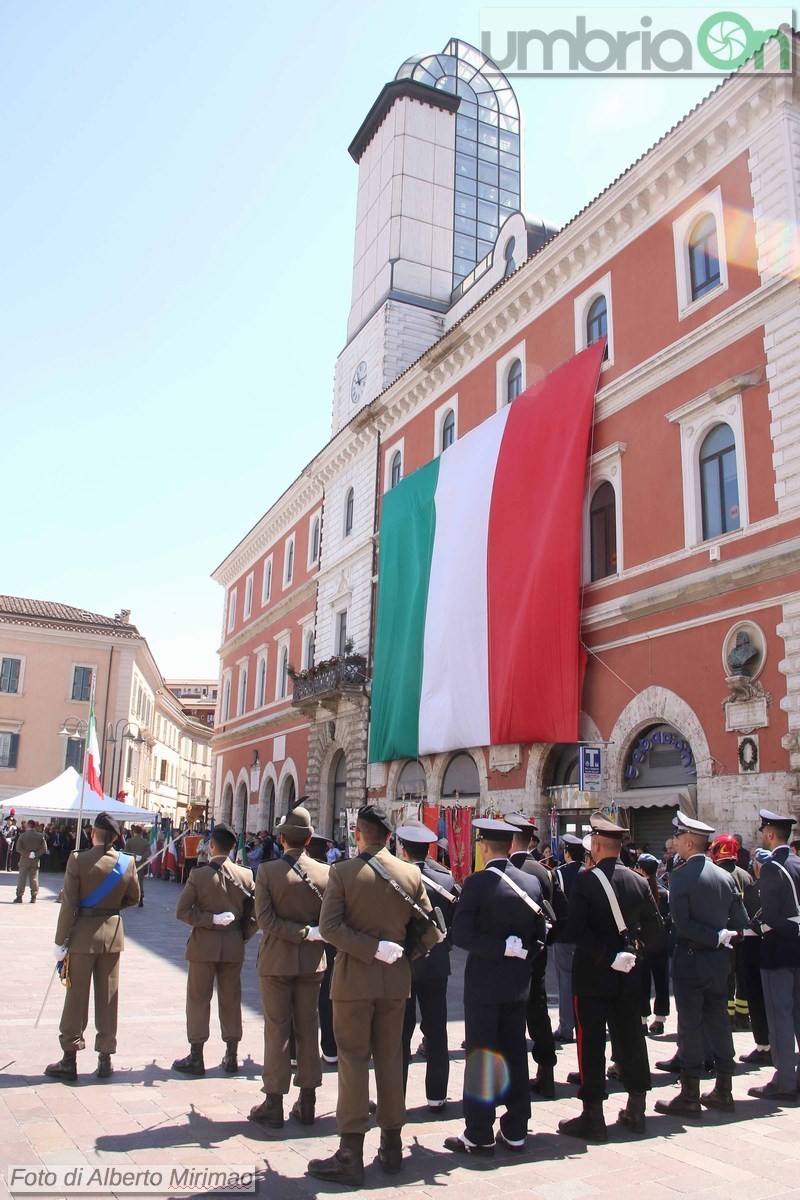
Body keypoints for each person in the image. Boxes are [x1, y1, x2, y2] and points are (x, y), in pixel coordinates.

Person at [307, 804, 440, 1186]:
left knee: (351, 1060)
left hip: (354, 982)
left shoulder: (344, 872)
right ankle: (392, 1146)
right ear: (389, 837)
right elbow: (430, 931)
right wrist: (399, 952)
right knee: (390, 1058)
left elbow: (329, 927)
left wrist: (369, 947)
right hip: (395, 981)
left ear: (358, 834)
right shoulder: (410, 873)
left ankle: (350, 1154)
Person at [442, 818, 545, 1157]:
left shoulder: (477, 883)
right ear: (512, 845)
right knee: (515, 1052)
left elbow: (462, 935)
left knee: (482, 1055)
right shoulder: (531, 883)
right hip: (518, 983)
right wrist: (520, 951)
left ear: (484, 847)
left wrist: (498, 947)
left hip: (485, 984)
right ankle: (516, 1128)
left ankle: (480, 1132)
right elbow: (541, 935)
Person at [558, 811, 662, 1142]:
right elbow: (657, 930)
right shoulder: (639, 880)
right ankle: (636, 1108)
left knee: (590, 1041)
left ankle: (593, 1115)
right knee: (631, 1036)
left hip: (592, 973)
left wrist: (606, 956)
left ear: (598, 845)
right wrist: (632, 950)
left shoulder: (586, 880)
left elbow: (575, 929)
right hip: (629, 974)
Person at [654, 812, 747, 1118]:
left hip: (691, 960)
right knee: (719, 1021)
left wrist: (711, 936)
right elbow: (740, 923)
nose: (675, 843)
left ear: (690, 842)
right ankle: (724, 1089)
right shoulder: (726, 876)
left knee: (690, 1025)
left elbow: (682, 924)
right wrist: (721, 937)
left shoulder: (681, 877)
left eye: (679, 838)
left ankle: (690, 1094)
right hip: (719, 963)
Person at [249, 806, 329, 1129]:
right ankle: (307, 1100)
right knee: (309, 1028)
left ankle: (274, 1101)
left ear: (282, 839)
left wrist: (298, 933)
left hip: (277, 960)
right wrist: (309, 933)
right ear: (309, 839)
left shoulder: (267, 872)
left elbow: (264, 920)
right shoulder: (326, 873)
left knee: (277, 1029)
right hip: (312, 962)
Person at [44, 812, 140, 1081]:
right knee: (108, 997)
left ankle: (69, 1058)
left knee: (76, 998)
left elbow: (68, 905)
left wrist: (59, 941)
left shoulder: (78, 860)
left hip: (82, 936)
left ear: (93, 833)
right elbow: (133, 898)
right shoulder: (127, 862)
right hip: (112, 937)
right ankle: (105, 1058)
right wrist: (108, 909)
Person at [172, 821, 256, 1077]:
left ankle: (196, 1056)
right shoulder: (245, 875)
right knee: (231, 1000)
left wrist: (209, 920)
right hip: (232, 945)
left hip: (203, 946)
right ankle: (231, 1055)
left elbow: (182, 911)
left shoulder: (199, 875)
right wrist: (241, 936)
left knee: (198, 999)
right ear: (233, 848)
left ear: (211, 846)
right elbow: (254, 917)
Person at [396, 820, 458, 1112]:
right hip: (436, 962)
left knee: (400, 1033)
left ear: (403, 849)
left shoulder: (396, 877)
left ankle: (396, 1095)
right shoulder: (445, 879)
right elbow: (453, 923)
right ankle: (437, 1095)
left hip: (403, 962)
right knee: (436, 1031)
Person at [747, 809, 800, 1103]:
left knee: (780, 1016)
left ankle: (784, 1080)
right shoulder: (796, 862)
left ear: (770, 834)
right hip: (798, 949)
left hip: (778, 949)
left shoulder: (772, 867)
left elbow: (770, 913)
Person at [503, 813, 557, 1098]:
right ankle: (546, 1071)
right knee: (538, 1010)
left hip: (510, 955)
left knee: (510, 1014)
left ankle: (513, 1076)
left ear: (512, 840)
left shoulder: (505, 871)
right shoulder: (545, 872)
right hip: (538, 951)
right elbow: (556, 915)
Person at [710, 834, 752, 1029]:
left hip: (723, 935)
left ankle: (728, 1016)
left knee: (726, 977)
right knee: (742, 976)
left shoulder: (715, 874)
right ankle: (743, 1016)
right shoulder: (745, 875)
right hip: (745, 935)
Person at [739, 847, 772, 1067]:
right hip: (771, 947)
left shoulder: (755, 887)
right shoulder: (777, 886)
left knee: (756, 997)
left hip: (752, 945)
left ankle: (763, 1046)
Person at [550, 834, 583, 1044]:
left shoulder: (559, 874)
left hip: (564, 935)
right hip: (584, 935)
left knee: (565, 980)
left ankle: (566, 1026)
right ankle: (581, 1024)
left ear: (567, 853)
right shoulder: (589, 873)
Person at [635, 853, 671, 1035]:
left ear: (640, 869)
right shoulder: (664, 892)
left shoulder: (637, 889)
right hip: (661, 943)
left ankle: (642, 1019)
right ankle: (660, 1019)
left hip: (642, 943)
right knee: (661, 981)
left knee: (642, 982)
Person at [14, 819, 48, 903]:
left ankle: (19, 896)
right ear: (35, 826)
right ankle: (33, 896)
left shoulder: (23, 835)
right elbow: (44, 848)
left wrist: (27, 854)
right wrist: (35, 854)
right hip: (35, 860)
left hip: (24, 860)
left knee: (22, 879)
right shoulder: (40, 836)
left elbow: (18, 848)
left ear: (28, 826)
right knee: (34, 879)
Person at [124, 825, 149, 907]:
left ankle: (129, 897)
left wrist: (134, 856)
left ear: (133, 832)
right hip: (142, 863)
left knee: (129, 880)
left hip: (131, 863)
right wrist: (141, 857)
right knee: (140, 880)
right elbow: (149, 853)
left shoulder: (129, 841)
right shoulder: (145, 842)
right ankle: (141, 896)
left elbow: (126, 852)